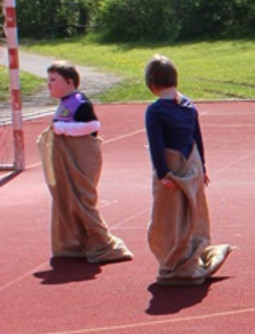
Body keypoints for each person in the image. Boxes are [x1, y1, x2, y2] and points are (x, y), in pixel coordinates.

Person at [143, 55, 232, 286]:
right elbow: (197, 138)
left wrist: (163, 174)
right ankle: (190, 256)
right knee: (192, 215)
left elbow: (156, 145)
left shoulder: (155, 111)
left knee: (169, 219)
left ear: (152, 83)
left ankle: (174, 263)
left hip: (171, 171)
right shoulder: (188, 106)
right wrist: (202, 168)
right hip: (191, 168)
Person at [37, 61, 134, 265]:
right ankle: (75, 244)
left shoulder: (80, 102)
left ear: (70, 81)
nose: (49, 85)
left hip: (82, 161)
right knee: (68, 201)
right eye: (49, 80)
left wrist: (61, 129)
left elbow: (92, 126)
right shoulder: (64, 103)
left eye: (54, 80)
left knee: (83, 201)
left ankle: (104, 245)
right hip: (67, 161)